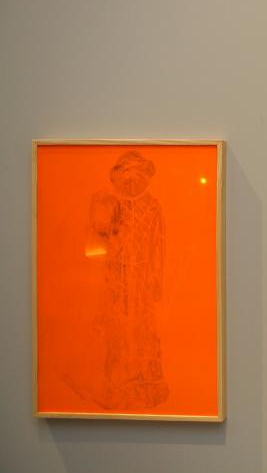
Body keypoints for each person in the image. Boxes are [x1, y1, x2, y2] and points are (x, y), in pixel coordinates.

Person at [88, 151, 169, 409]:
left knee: (145, 330)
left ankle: (146, 384)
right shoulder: (111, 202)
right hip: (117, 278)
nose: (132, 180)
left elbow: (158, 245)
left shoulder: (153, 207)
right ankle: (117, 386)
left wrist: (156, 277)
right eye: (126, 174)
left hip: (142, 280)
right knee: (117, 331)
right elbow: (99, 235)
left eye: (137, 173)